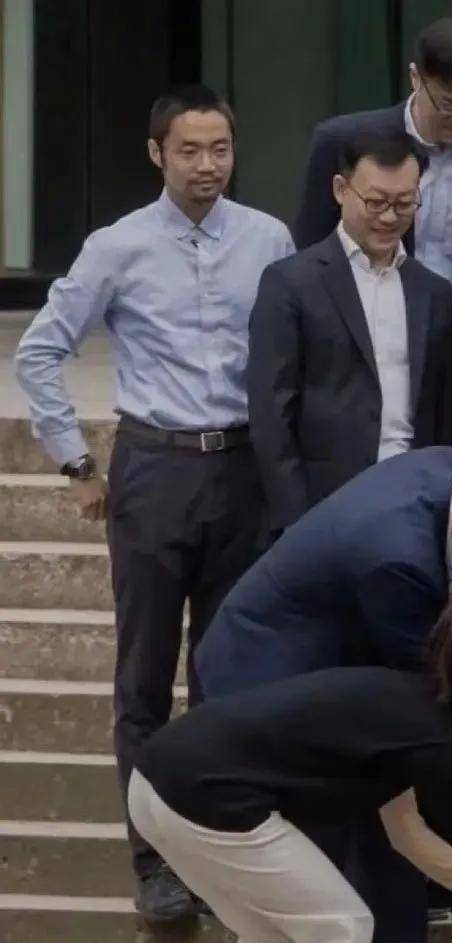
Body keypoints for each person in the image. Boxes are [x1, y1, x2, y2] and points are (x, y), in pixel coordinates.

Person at [13, 84, 294, 921]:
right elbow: (40, 351)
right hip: (154, 468)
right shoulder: (118, 245)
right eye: (189, 151)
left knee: (226, 669)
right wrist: (75, 462)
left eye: (220, 149)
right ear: (156, 154)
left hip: (243, 468)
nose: (207, 166)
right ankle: (154, 865)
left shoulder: (268, 237)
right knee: (143, 677)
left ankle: (217, 847)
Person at [194, 446, 452, 942]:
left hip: (339, 663)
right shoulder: (398, 563)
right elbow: (438, 696)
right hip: (266, 670)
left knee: (390, 839)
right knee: (325, 870)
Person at [129, 597, 452, 943]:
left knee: (274, 934)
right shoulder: (427, 742)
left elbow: (408, 837)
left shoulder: (404, 711)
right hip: (202, 796)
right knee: (345, 927)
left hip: (155, 785)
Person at [248, 128, 452, 535]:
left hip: (414, 499)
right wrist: (296, 521)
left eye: (404, 203)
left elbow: (445, 412)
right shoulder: (291, 283)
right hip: (322, 504)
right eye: (376, 202)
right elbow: (271, 415)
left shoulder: (433, 292)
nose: (389, 217)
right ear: (340, 189)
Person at [293, 17, 452, 331]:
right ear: (416, 78)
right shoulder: (340, 141)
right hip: (366, 328)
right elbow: (312, 250)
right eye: (450, 105)